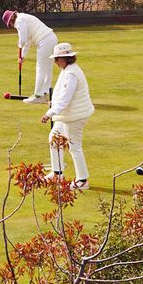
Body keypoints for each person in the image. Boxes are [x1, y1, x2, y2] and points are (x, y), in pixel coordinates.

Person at [40, 42, 93, 189]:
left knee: (74, 146)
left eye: (57, 59)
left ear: (66, 59)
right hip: (67, 115)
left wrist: (49, 113)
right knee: (54, 139)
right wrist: (53, 103)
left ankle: (82, 181)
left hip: (75, 116)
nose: (55, 62)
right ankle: (57, 174)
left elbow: (65, 99)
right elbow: (61, 95)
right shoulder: (67, 70)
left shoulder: (70, 74)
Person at [3, 9, 58, 102]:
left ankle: (38, 96)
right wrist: (23, 56)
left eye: (10, 24)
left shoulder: (20, 21)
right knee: (47, 68)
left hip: (44, 40)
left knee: (41, 67)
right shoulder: (23, 18)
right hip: (51, 38)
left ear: (12, 18)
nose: (12, 26)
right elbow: (28, 40)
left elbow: (23, 40)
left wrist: (20, 45)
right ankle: (45, 92)